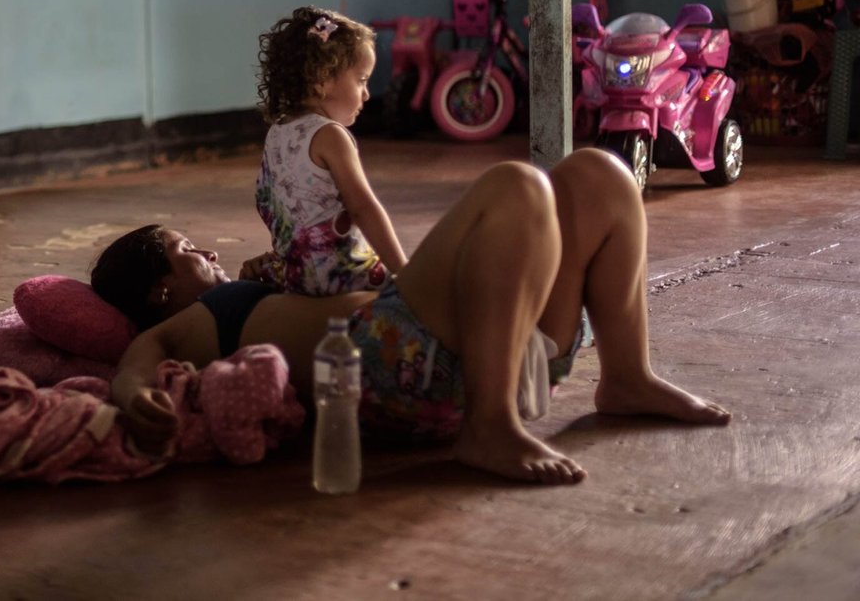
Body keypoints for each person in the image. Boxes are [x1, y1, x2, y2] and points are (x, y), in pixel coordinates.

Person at [89, 147, 731, 485]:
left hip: (476, 351)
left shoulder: (262, 279)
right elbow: (138, 362)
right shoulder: (205, 315)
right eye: (183, 251)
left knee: (599, 174)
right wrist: (137, 393)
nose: (204, 250)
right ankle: (489, 425)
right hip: (387, 369)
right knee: (515, 186)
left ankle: (625, 376)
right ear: (157, 291)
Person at [247, 6, 406, 297]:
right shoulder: (330, 135)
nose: (367, 94)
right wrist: (404, 272)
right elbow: (364, 208)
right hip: (344, 276)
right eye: (361, 80)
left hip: (297, 277)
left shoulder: (277, 133)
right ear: (322, 79)